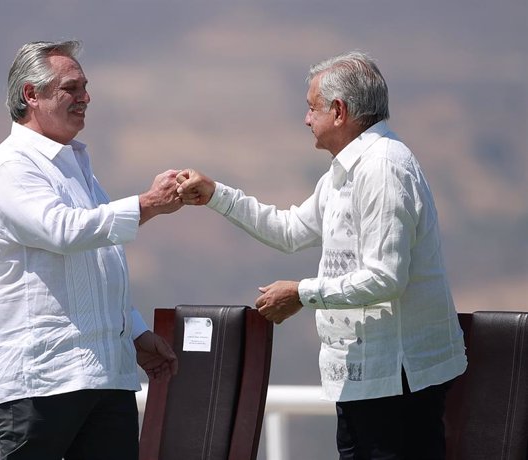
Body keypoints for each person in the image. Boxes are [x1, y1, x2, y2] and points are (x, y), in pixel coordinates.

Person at [176, 51, 467, 459]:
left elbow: (386, 277)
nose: (305, 119)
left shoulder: (382, 168)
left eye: (311, 107)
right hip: (369, 374)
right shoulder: (345, 170)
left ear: (339, 110)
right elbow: (290, 230)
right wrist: (217, 196)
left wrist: (301, 293)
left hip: (398, 379)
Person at [0, 40, 180, 460]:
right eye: (72, 87)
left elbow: (97, 261)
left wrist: (134, 332)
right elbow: (64, 231)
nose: (86, 97)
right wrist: (147, 204)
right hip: (43, 380)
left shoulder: (76, 167)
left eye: (85, 86)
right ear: (32, 94)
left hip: (105, 376)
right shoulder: (11, 165)